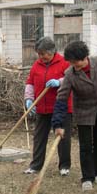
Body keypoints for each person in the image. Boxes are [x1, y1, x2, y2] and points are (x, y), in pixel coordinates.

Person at [52, 41, 97, 192]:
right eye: (71, 63)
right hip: (83, 111)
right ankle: (87, 177)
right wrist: (57, 123)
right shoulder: (70, 74)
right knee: (85, 146)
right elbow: (61, 99)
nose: (74, 65)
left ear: (85, 57)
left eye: (76, 62)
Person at [23, 37, 73, 176]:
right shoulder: (36, 65)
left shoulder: (64, 63)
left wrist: (59, 81)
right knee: (39, 137)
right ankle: (36, 166)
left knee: (62, 137)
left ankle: (64, 166)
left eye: (44, 53)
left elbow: (72, 79)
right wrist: (29, 99)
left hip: (61, 107)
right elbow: (30, 83)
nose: (41, 56)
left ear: (52, 52)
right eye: (39, 53)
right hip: (42, 107)